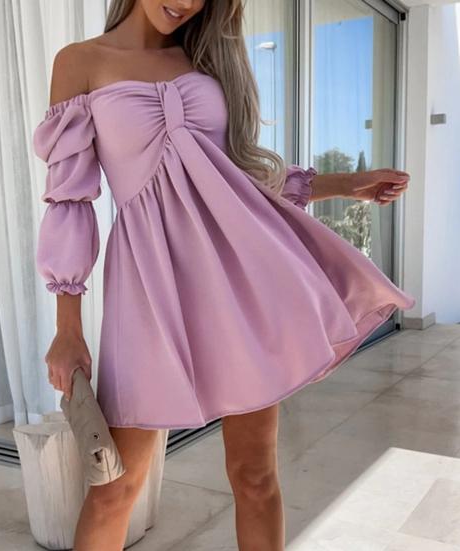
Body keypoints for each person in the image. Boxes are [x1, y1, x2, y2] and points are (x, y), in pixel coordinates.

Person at [32, 1, 415, 549]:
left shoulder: (210, 63)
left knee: (255, 476)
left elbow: (240, 178)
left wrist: (344, 184)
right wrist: (67, 327)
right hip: (147, 287)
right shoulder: (80, 62)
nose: (187, 2)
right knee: (115, 487)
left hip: (240, 284)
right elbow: (69, 200)